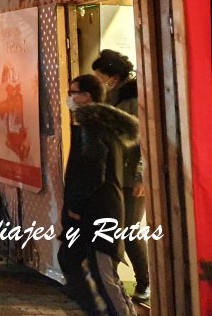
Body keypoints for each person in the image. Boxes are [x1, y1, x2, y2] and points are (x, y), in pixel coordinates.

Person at [58, 74, 138, 316]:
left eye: (73, 92)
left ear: (87, 97)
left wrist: (77, 204)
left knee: (103, 272)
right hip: (93, 209)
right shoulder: (95, 124)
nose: (69, 97)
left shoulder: (94, 125)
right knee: (71, 259)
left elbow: (93, 169)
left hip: (99, 210)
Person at [91, 50, 148, 306]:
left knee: (131, 231)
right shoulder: (111, 97)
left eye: (101, 77)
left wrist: (141, 175)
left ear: (114, 76)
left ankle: (144, 283)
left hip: (130, 176)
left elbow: (145, 141)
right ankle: (112, 283)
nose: (100, 81)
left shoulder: (134, 98)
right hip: (112, 175)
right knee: (115, 230)